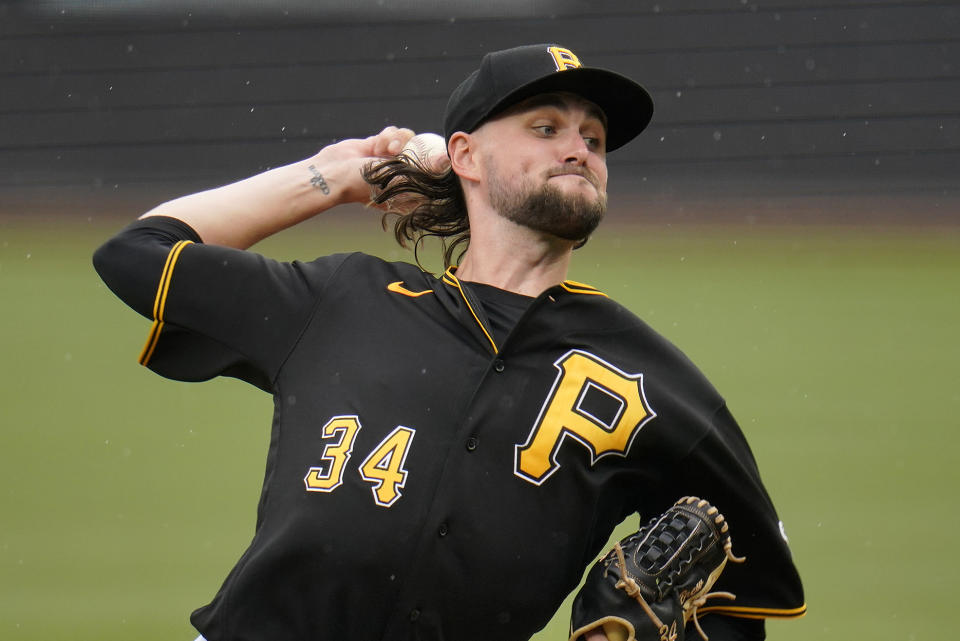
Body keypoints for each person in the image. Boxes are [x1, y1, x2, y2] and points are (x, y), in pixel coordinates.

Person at [94, 44, 804, 641]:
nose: (579, 150)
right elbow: (139, 253)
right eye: (547, 127)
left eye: (594, 139)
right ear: (463, 154)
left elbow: (745, 584)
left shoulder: (648, 378)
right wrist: (335, 177)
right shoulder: (343, 300)